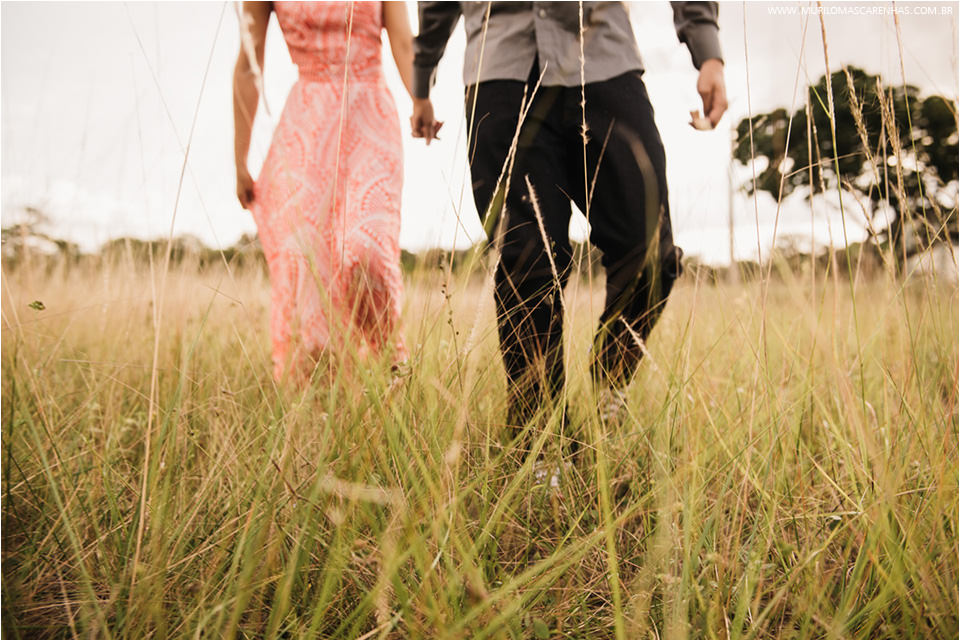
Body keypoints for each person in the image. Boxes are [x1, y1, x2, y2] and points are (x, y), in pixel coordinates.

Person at [411, 2, 728, 432]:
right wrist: (421, 80)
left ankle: (608, 384)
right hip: (500, 69)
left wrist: (707, 50)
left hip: (604, 60)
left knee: (651, 249)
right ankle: (539, 438)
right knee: (526, 264)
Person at [234, 1, 440, 382]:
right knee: (306, 262)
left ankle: (390, 370)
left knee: (368, 251)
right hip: (307, 124)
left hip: (369, 116)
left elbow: (402, 41)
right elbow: (249, 63)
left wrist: (420, 98)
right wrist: (240, 159)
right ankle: (321, 404)